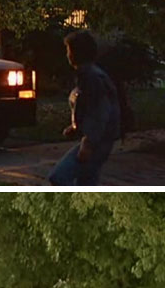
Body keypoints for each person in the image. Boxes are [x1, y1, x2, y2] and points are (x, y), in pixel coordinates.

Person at [49, 29, 121, 186]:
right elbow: (86, 108)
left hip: (98, 142)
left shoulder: (92, 78)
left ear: (76, 52)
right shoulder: (87, 76)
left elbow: (99, 112)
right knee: (87, 182)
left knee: (59, 177)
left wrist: (88, 143)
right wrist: (76, 127)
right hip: (101, 139)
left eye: (69, 50)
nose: (67, 54)